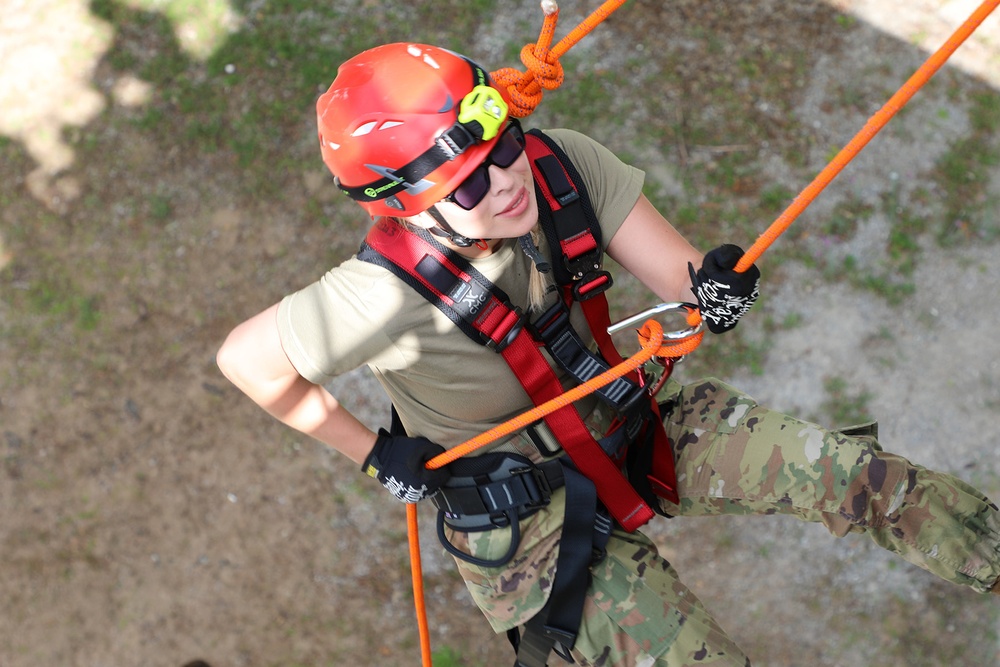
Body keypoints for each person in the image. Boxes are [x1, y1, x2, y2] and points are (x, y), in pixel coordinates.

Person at [216, 43, 1000, 666]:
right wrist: (378, 454)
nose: (503, 184)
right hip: (527, 525)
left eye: (503, 148)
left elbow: (681, 284)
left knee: (858, 474)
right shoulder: (377, 294)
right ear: (406, 208)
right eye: (465, 187)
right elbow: (248, 359)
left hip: (628, 427)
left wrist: (714, 290)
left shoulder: (561, 170)